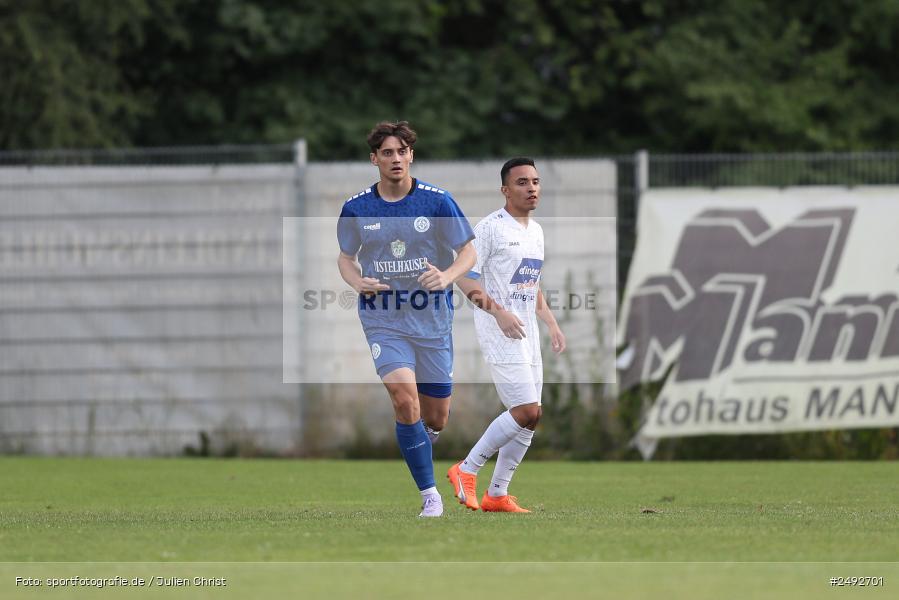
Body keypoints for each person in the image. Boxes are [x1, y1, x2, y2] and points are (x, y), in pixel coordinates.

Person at [337, 121, 476, 517]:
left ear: (411, 155)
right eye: (386, 153)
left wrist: (447, 276)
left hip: (432, 320)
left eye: (401, 152)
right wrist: (356, 281)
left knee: (435, 417)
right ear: (374, 159)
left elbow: (468, 251)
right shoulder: (357, 208)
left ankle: (416, 440)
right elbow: (346, 258)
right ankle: (430, 496)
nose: (395, 159)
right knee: (403, 398)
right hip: (383, 317)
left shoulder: (437, 201)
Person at [448, 157, 565, 513]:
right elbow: (465, 277)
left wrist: (550, 322)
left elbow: (530, 281)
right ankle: (465, 470)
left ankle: (497, 494)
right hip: (499, 330)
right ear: (505, 190)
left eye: (535, 181)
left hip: (526, 332)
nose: (531, 188)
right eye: (522, 182)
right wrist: (498, 313)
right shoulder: (490, 229)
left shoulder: (536, 231)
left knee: (533, 415)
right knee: (525, 408)